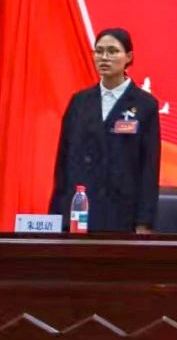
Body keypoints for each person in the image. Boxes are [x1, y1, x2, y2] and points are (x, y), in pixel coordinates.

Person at [50, 28, 161, 233]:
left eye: (112, 51)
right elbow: (63, 164)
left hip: (122, 214)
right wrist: (57, 216)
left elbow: (149, 168)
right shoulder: (79, 102)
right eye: (99, 51)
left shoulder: (145, 105)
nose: (104, 57)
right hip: (80, 212)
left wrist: (144, 222)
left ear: (128, 57)